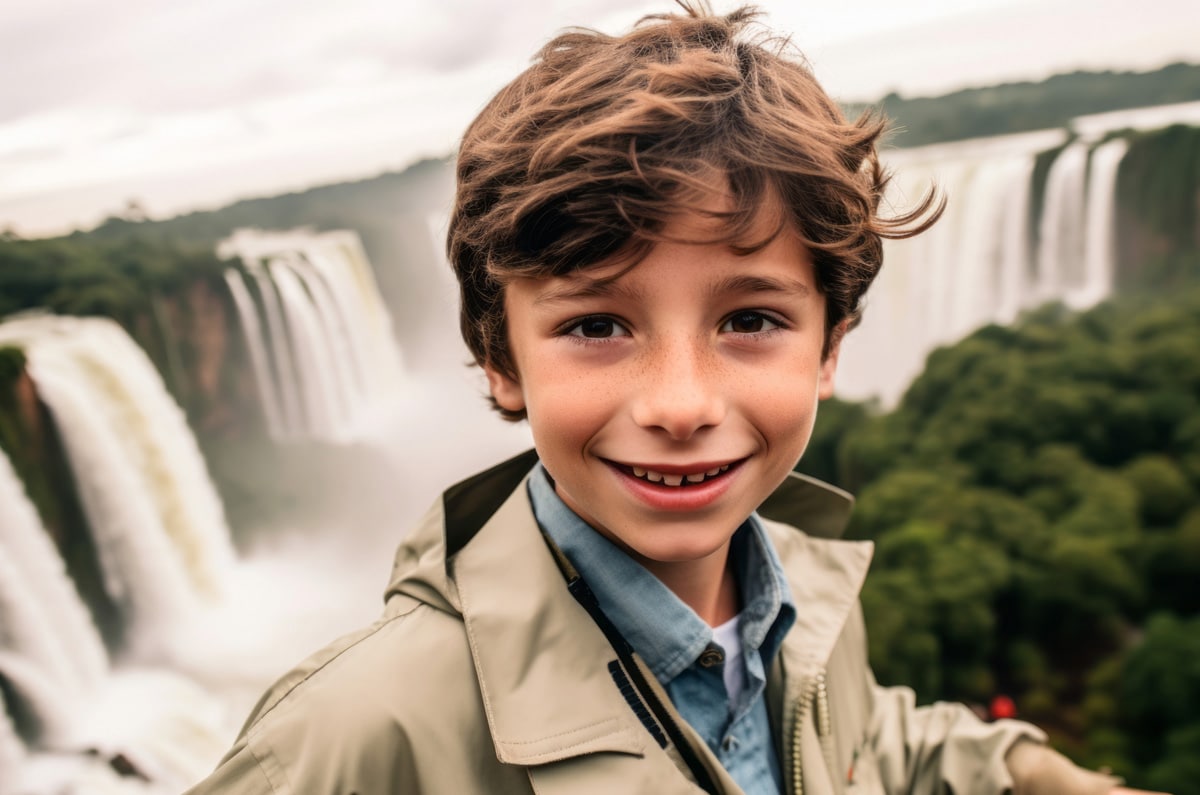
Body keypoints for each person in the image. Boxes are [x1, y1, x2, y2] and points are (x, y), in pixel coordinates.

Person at [187, 4, 1164, 793]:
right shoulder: (354, 741)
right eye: (597, 326)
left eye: (750, 320)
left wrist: (1027, 771)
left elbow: (863, 749)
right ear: (500, 360)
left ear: (832, 346)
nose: (683, 404)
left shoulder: (801, 587)